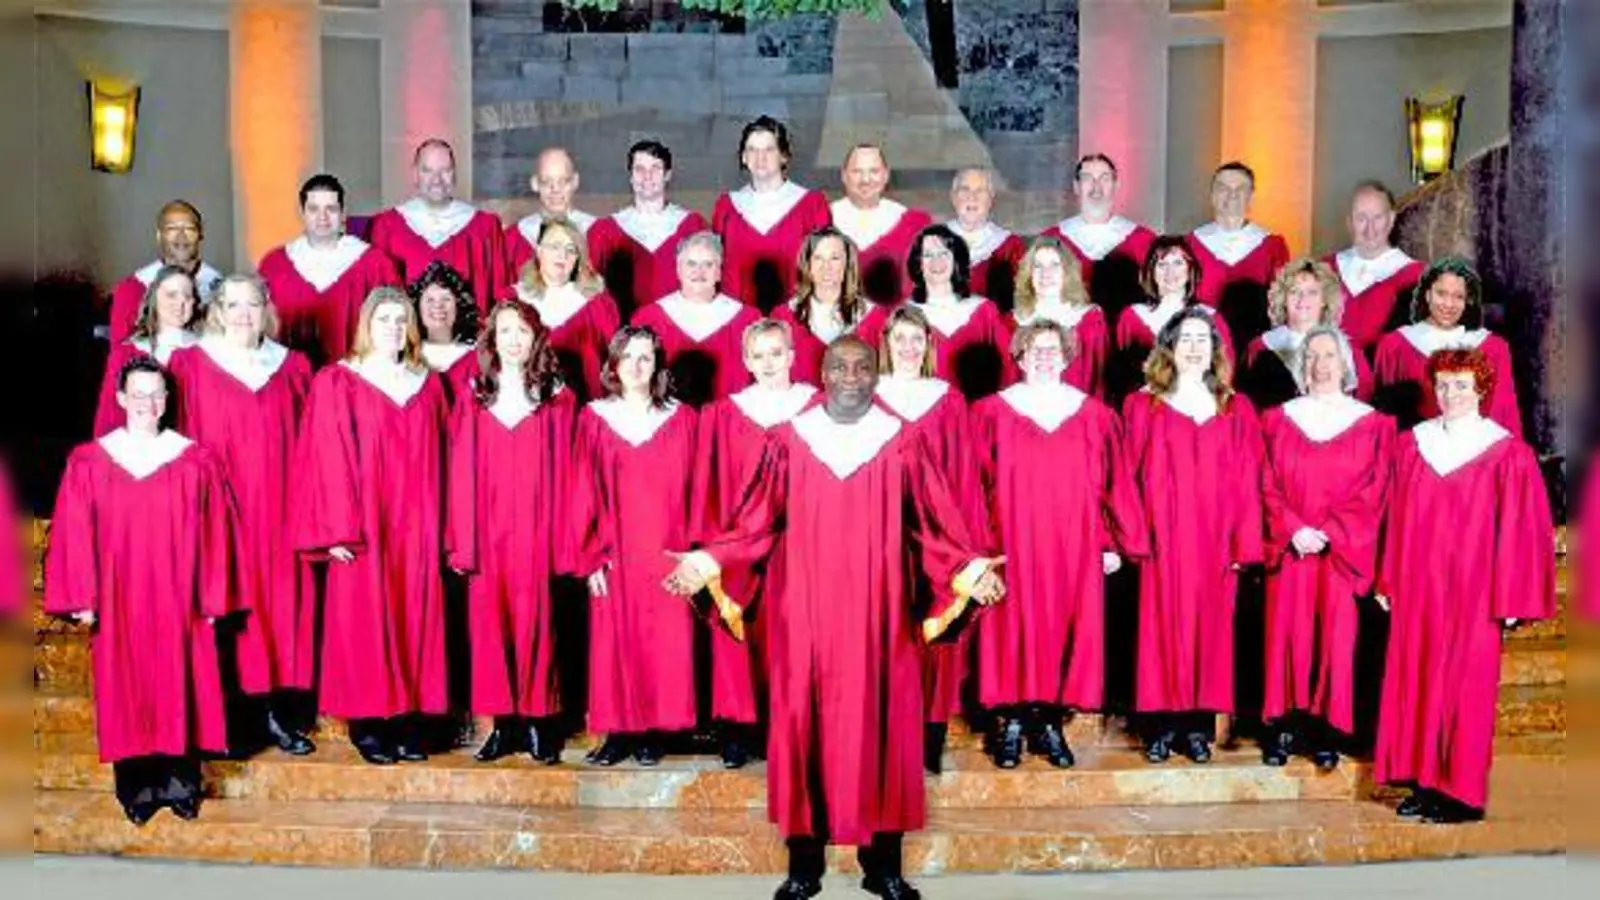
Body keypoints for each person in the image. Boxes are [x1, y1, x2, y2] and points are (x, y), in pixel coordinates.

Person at [663, 336, 1005, 900]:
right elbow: (755, 524)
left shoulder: (902, 441)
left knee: (887, 731)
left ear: (876, 374)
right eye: (839, 366)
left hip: (883, 619)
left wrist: (968, 572)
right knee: (804, 729)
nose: (851, 376)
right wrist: (706, 563)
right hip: (806, 619)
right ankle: (805, 866)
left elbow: (932, 526)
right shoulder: (789, 441)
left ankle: (883, 866)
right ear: (821, 374)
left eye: (862, 366)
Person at [45, 355, 239, 824]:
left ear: (167, 400)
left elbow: (215, 533)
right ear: (120, 398)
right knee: (126, 685)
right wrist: (83, 597)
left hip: (179, 594)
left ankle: (180, 784)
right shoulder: (91, 460)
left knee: (180, 680)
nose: (147, 403)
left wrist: (212, 596)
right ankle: (137, 788)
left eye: (156, 394)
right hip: (119, 596)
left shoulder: (194, 460)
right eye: (138, 394)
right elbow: (74, 531)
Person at [1373, 347, 1555, 823]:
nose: (1451, 394)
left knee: (1465, 688)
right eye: (1444, 384)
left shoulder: (1507, 453)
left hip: (1475, 591)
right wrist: (1387, 577)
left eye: (1461, 385)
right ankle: (1422, 782)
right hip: (1418, 584)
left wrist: (1512, 597)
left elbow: (1521, 528)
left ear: (1481, 390)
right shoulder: (1411, 446)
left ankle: (1461, 794)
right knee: (1415, 679)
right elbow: (1393, 516)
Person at [971, 320, 1145, 769]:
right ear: (1019, 356)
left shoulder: (1096, 416)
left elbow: (1114, 484)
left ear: (1068, 358)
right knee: (1010, 627)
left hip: (1073, 543)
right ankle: (1011, 723)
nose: (1044, 357)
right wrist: (977, 549)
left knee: (1061, 627)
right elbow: (974, 485)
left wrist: (1112, 543)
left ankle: (1049, 722)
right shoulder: (989, 413)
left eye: (1053, 349)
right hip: (1009, 541)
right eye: (1035, 349)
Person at [292, 287, 452, 766]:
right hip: (366, 525)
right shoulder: (340, 381)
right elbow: (325, 456)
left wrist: (446, 529)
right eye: (383, 319)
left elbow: (445, 456)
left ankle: (408, 722)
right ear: (366, 325)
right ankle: (370, 725)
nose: (393, 328)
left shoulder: (427, 384)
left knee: (415, 616)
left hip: (417, 522)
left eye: (401, 320)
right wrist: (337, 529)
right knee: (366, 618)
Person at [168, 275, 317, 756]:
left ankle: (278, 713)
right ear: (217, 311)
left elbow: (313, 444)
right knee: (227, 603)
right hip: (219, 510)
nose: (243, 314)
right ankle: (231, 718)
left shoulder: (293, 367)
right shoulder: (190, 365)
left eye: (252, 304)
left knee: (279, 607)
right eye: (232, 305)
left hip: (280, 510)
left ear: (266, 309)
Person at [1122, 307, 1264, 765]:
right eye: (1186, 338)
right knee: (1159, 628)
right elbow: (1126, 476)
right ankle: (1159, 727)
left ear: (1216, 350)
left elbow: (1249, 479)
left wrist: (1244, 544)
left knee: (1211, 630)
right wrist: (1135, 538)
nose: (1195, 347)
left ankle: (1198, 728)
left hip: (1216, 539)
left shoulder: (1235, 407)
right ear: (1169, 346)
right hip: (1162, 539)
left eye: (1204, 339)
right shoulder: (1143, 405)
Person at [447, 301, 576, 765]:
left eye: (522, 330)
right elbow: (460, 470)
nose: (514, 339)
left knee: (536, 622)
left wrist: (563, 539)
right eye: (505, 331)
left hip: (538, 529)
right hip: (488, 530)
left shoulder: (557, 396)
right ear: (492, 339)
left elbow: (569, 472)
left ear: (536, 336)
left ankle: (540, 722)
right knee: (490, 626)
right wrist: (463, 540)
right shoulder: (475, 394)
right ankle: (503, 725)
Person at [1258, 325, 1393, 771]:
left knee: (1335, 638)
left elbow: (1376, 490)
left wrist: (1333, 531)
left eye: (1330, 356)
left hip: (1340, 554)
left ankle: (1324, 732)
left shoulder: (1373, 425)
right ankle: (1283, 727)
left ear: (1345, 364)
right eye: (1312, 356)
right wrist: (1292, 527)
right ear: (1302, 365)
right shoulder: (1276, 420)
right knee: (1285, 634)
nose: (1321, 365)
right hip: (1291, 549)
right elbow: (1264, 481)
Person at [570, 326, 702, 767]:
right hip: (616, 549)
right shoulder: (594, 418)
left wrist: (696, 553)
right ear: (613, 363)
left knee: (665, 641)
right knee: (616, 642)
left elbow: (699, 488)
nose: (636, 366)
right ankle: (619, 732)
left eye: (645, 357)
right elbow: (581, 489)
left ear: (658, 365)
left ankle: (654, 732)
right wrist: (589, 556)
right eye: (627, 356)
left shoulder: (683, 419)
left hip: (668, 547)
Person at [691, 318, 819, 769]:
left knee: (793, 633)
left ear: (792, 356)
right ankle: (737, 728)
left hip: (798, 541)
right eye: (758, 355)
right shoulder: (723, 414)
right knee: (737, 630)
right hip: (736, 541)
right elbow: (706, 483)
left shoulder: (816, 409)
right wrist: (708, 545)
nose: (768, 363)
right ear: (745, 361)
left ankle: (789, 727)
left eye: (776, 353)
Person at [873, 304, 982, 773]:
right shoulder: (867, 396)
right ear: (886, 344)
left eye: (917, 339)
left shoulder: (948, 399)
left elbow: (965, 473)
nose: (908, 347)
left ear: (929, 346)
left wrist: (966, 546)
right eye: (899, 338)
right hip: (881, 532)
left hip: (940, 536)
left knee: (935, 631)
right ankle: (887, 737)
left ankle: (929, 736)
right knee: (885, 632)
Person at [258, 174, 401, 369]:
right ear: (302, 212)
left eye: (331, 209)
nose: (322, 217)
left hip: (357, 378)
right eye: (313, 209)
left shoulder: (374, 264)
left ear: (343, 213)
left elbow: (396, 323)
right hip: (293, 378)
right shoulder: (275, 266)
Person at [1372, 256, 1523, 436]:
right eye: (1441, 294)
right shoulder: (1395, 346)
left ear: (1468, 301)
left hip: (1476, 448)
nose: (1449, 304)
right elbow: (1382, 419)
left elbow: (1503, 415)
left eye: (1458, 296)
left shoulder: (1493, 348)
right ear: (1427, 294)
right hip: (1413, 449)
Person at [368, 139, 507, 312]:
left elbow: (499, 296)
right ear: (415, 174)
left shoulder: (484, 228)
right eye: (427, 170)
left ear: (455, 173)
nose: (437, 180)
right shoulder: (387, 227)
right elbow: (377, 299)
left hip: (469, 329)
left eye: (445, 170)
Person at [712, 116, 832, 311]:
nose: (760, 157)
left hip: (798, 317)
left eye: (769, 149)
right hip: (738, 319)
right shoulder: (727, 207)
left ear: (784, 156)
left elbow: (826, 269)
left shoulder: (812, 205)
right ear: (743, 157)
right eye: (752, 150)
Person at [631, 232, 761, 407]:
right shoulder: (648, 319)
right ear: (678, 270)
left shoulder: (747, 320)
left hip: (730, 420)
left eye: (708, 264)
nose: (699, 271)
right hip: (667, 420)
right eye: (691, 263)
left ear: (719, 272)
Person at [588, 140, 709, 317]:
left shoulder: (692, 227)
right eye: (639, 169)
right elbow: (592, 290)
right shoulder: (606, 232)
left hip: (680, 327)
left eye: (655, 168)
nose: (647, 176)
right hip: (624, 329)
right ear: (630, 176)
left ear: (667, 174)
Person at [509, 218, 622, 402]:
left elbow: (614, 363)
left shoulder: (597, 304)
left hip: (584, 403)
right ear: (539, 251)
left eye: (571, 250)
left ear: (578, 258)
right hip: (525, 403)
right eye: (555, 246)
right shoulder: (514, 299)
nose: (562, 255)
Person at [1238, 257, 1373, 410]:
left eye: (1312, 292)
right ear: (1283, 298)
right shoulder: (1260, 347)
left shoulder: (1348, 350)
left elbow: (1362, 407)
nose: (1303, 299)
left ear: (1324, 300)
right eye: (1294, 291)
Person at [1185, 161, 1291, 352]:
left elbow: (1281, 304)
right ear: (1212, 195)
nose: (1231, 195)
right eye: (1223, 188)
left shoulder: (1272, 246)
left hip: (1255, 348)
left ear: (1251, 197)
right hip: (1202, 346)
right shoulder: (1191, 244)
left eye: (1240, 189)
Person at [1112, 236, 1233, 402]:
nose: (1170, 272)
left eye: (1178, 263)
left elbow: (1224, 373)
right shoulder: (1132, 317)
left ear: (1190, 269)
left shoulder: (1210, 317)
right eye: (1162, 265)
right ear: (1151, 271)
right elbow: (1122, 377)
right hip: (1148, 407)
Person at [1042, 154, 1157, 323]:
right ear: (1076, 186)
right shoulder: (1051, 239)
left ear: (1116, 185)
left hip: (1124, 334)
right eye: (1087, 178)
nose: (1096, 187)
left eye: (1105, 179)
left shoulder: (1143, 240)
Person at [771, 226, 888, 385]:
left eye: (835, 258)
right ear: (807, 264)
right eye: (818, 258)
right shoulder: (783, 316)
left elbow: (883, 376)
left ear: (847, 264)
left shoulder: (874, 317)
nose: (826, 267)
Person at [93, 265, 201, 437]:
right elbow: (109, 417)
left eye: (187, 296)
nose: (180, 303)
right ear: (154, 298)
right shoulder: (127, 353)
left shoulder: (206, 353)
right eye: (171, 295)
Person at [904, 224, 1006, 400]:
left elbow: (1007, 368)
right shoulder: (904, 315)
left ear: (956, 260)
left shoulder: (984, 311)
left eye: (944, 253)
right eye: (928, 255)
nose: (937, 262)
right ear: (918, 264)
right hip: (926, 411)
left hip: (978, 411)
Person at [1322, 180, 1423, 354]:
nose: (1370, 229)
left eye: (1377, 218)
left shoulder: (1415, 276)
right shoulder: (1325, 269)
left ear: (1391, 219)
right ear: (1349, 222)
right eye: (1361, 218)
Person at [1006, 236, 1110, 397]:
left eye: (1054, 265)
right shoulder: (1011, 322)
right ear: (1028, 274)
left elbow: (1100, 383)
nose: (1046, 273)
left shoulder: (1090, 321)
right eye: (1037, 266)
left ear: (1067, 272)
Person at [830, 144, 933, 306]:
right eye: (857, 171)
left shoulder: (913, 225)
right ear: (844, 175)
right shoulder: (820, 220)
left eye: (874, 171)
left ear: (886, 175)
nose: (865, 180)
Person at [107, 200, 223, 344]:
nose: (181, 236)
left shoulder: (219, 285)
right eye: (172, 229)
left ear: (200, 235)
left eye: (189, 229)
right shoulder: (135, 286)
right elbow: (120, 348)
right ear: (159, 235)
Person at [504, 147, 598, 278]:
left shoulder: (600, 234)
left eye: (563, 181)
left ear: (575, 181)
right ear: (535, 183)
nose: (555, 189)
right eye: (546, 182)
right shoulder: (513, 239)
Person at [948, 167, 1026, 313]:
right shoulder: (933, 242)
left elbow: (1021, 301)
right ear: (953, 197)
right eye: (965, 189)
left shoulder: (1010, 247)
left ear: (990, 199)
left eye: (980, 191)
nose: (972, 197)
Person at [409, 261, 481, 401]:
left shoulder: (476, 356)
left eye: (446, 299)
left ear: (459, 305)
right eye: (430, 300)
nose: (438, 306)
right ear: (417, 307)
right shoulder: (408, 356)